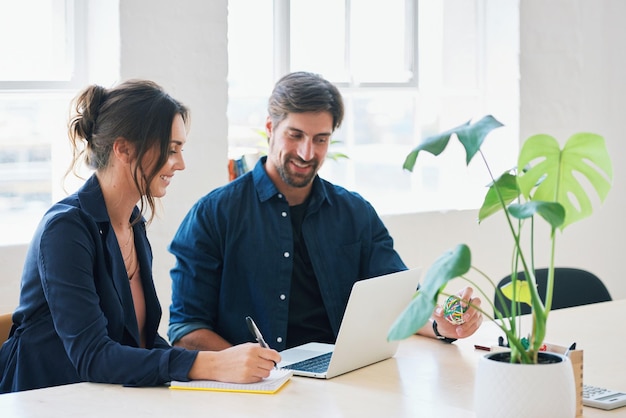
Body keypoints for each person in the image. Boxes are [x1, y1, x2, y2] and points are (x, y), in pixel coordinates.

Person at [168, 72, 483, 353]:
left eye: (321, 139)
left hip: (340, 381)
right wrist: (245, 365)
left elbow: (400, 303)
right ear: (270, 129)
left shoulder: (354, 213)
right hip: (253, 389)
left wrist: (444, 326)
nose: (307, 153)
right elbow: (185, 331)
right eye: (296, 136)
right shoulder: (213, 215)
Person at [0, 80, 279, 394]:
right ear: (123, 149)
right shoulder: (65, 230)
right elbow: (92, 356)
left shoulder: (133, 223)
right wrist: (209, 364)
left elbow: (143, 344)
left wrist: (221, 365)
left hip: (105, 399)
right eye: (171, 149)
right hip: (44, 399)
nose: (181, 163)